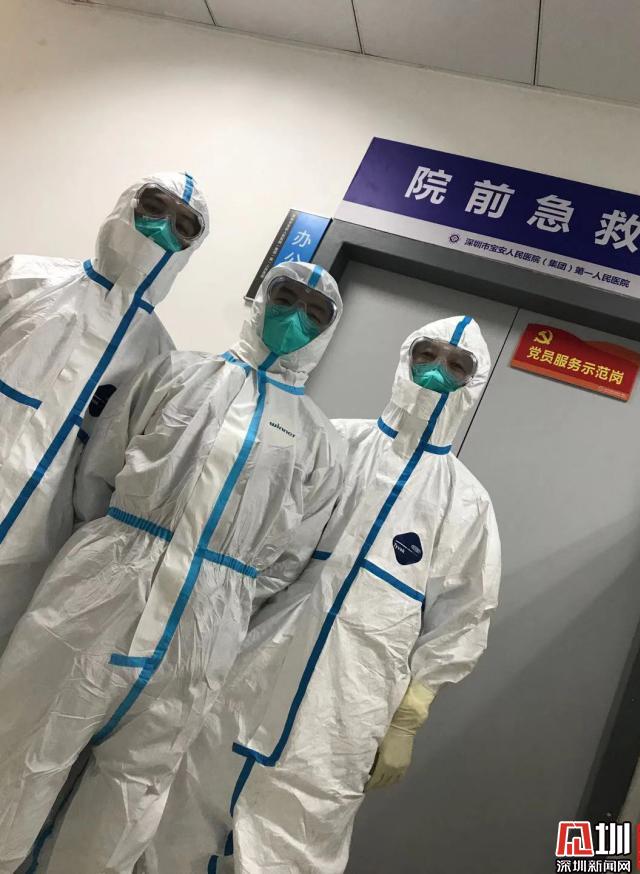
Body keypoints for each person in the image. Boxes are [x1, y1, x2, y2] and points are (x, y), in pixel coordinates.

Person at [0, 261, 346, 874]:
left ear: (326, 332)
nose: (295, 317)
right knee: (25, 742)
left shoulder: (320, 441)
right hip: (102, 586)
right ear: (259, 299)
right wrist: (120, 552)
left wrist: (222, 591)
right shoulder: (177, 372)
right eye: (285, 296)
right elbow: (100, 471)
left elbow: (288, 558)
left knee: (132, 788)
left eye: (314, 313)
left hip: (203, 628)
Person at [143, 314, 502, 874]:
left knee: (298, 840)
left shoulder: (466, 504)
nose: (437, 373)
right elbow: (255, 547)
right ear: (405, 358)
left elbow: (464, 619)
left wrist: (408, 718)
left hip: (344, 709)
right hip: (249, 670)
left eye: (457, 366)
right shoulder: (333, 442)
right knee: (184, 807)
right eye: (427, 356)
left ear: (472, 386)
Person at [0, 172, 208, 655]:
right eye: (154, 207)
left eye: (183, 226)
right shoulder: (24, 280)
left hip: (29, 548)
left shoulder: (160, 359)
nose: (162, 228)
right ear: (125, 205)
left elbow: (112, 476)